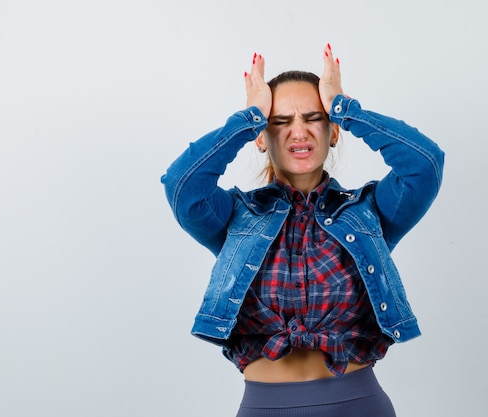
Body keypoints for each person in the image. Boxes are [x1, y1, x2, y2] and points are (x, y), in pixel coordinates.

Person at [161, 44, 444, 417]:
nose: (299, 131)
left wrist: (345, 109)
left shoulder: (369, 211)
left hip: (360, 405)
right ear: (262, 137)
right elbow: (182, 185)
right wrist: (248, 119)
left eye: (314, 118)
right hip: (267, 407)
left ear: (332, 132)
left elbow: (425, 165)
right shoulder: (234, 217)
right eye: (279, 122)